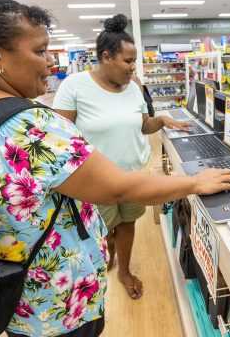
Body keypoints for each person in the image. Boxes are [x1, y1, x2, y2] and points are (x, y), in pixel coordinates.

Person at [0, 0, 230, 337]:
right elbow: (117, 187)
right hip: (54, 298)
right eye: (40, 51)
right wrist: (194, 183)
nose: (49, 64)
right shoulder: (30, 124)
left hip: (1, 285)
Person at [53, 15, 190, 300]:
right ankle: (104, 259)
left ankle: (124, 270)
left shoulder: (134, 86)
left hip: (132, 175)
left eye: (135, 61)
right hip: (95, 181)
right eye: (128, 61)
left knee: (127, 224)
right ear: (106, 57)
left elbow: (143, 125)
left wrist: (162, 119)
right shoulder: (74, 86)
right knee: (101, 229)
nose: (133, 68)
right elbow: (60, 138)